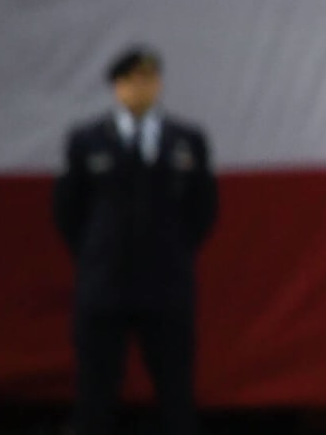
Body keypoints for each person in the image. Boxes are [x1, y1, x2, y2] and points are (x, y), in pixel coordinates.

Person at [53, 45, 218, 435]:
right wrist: (97, 254)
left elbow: (203, 210)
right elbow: (68, 212)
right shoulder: (87, 140)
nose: (142, 87)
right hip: (104, 286)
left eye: (150, 78)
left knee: (176, 398)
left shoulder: (186, 140)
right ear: (117, 86)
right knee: (95, 397)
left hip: (166, 286)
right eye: (133, 79)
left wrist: (174, 252)